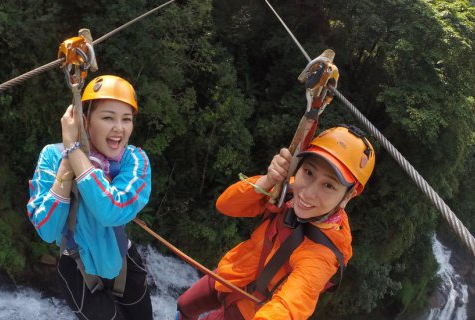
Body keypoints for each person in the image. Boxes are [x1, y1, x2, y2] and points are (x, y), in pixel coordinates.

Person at [177, 125, 376, 319]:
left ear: (349, 195)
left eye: (329, 185)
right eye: (308, 172)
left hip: (246, 311)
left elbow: (290, 306)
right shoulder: (286, 193)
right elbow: (226, 205)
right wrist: (268, 180)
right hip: (231, 272)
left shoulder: (322, 254)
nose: (308, 192)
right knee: (184, 306)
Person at [27, 75, 153, 320]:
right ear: (85, 122)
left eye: (126, 119)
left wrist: (74, 151)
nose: (119, 128)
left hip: (123, 263)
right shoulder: (52, 156)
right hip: (77, 271)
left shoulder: (134, 159)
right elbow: (47, 229)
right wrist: (68, 158)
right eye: (108, 117)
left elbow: (111, 211)